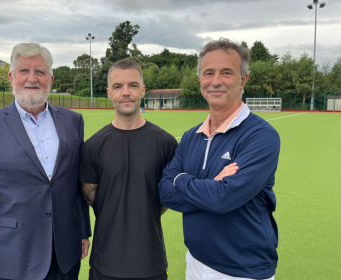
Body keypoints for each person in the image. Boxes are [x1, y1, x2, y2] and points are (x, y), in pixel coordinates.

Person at [0, 43, 91, 280]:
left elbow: (76, 183)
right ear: (11, 77)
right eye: (24, 71)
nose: (32, 78)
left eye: (40, 72)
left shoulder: (73, 121)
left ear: (50, 79)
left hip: (65, 256)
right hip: (12, 258)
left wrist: (83, 230)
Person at [159, 38, 280, 280]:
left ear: (243, 79)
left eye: (226, 73)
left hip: (243, 270)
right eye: (209, 73)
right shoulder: (191, 136)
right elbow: (165, 192)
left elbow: (223, 199)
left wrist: (182, 179)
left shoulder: (262, 136)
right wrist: (212, 188)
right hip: (195, 261)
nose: (216, 81)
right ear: (200, 79)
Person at [79, 60, 177, 280]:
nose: (126, 93)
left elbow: (166, 199)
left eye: (133, 85)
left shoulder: (166, 143)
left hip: (151, 264)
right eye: (117, 87)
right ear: (109, 93)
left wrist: (142, 209)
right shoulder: (92, 146)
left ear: (142, 90)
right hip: (105, 264)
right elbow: (91, 196)